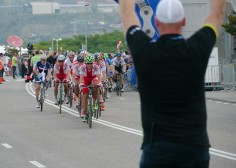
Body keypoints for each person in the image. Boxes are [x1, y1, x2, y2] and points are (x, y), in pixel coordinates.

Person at [119, 0, 226, 167]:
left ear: (156, 22)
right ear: (183, 21)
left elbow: (127, 14)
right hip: (195, 146)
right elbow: (217, 13)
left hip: (157, 147)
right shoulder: (197, 48)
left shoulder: (143, 50)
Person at [79, 54, 101, 122]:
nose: (89, 65)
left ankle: (95, 100)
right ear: (85, 63)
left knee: (95, 85)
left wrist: (99, 83)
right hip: (85, 79)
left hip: (93, 78)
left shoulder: (96, 67)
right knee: (85, 95)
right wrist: (82, 84)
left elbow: (98, 76)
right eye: (88, 63)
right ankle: (84, 111)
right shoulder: (82, 67)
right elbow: (82, 77)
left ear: (93, 62)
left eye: (91, 63)